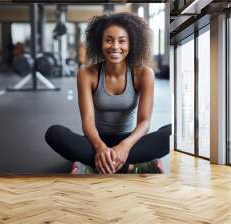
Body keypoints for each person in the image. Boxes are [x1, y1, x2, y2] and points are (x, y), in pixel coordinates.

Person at [45, 12, 171, 174]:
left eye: (122, 41)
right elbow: (88, 121)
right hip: (95, 141)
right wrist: (100, 147)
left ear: (132, 44)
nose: (115, 46)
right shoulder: (87, 74)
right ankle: (131, 167)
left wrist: (124, 147)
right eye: (109, 40)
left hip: (130, 141)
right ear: (100, 42)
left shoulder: (144, 73)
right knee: (55, 133)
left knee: (172, 133)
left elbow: (144, 121)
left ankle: (93, 165)